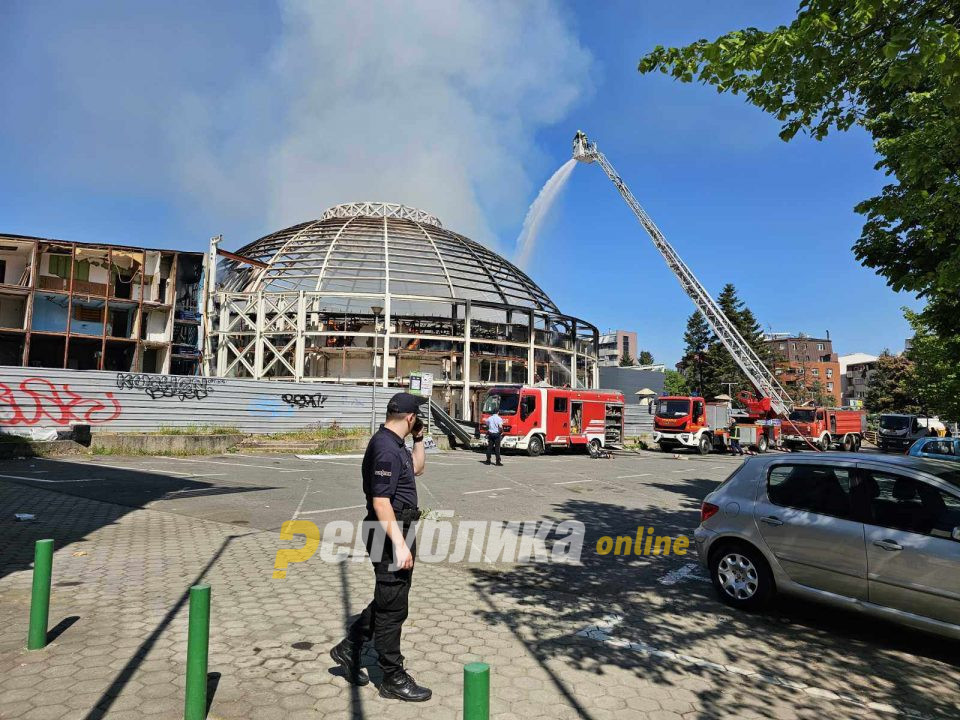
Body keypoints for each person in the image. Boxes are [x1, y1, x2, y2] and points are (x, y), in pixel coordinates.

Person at [330, 392, 432, 702]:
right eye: (417, 418)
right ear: (410, 417)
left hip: (394, 529)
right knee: (393, 609)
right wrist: (400, 545)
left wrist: (419, 441)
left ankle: (349, 648)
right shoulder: (386, 448)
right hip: (388, 531)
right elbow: (380, 502)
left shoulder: (395, 443)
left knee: (389, 598)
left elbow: (417, 469)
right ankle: (392, 676)